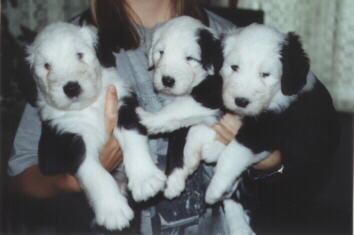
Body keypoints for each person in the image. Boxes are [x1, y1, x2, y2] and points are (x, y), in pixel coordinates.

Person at [7, 0, 282, 234]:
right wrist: (76, 178)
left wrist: (271, 162)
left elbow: (302, 152)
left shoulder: (233, 38)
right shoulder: (68, 42)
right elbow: (22, 174)